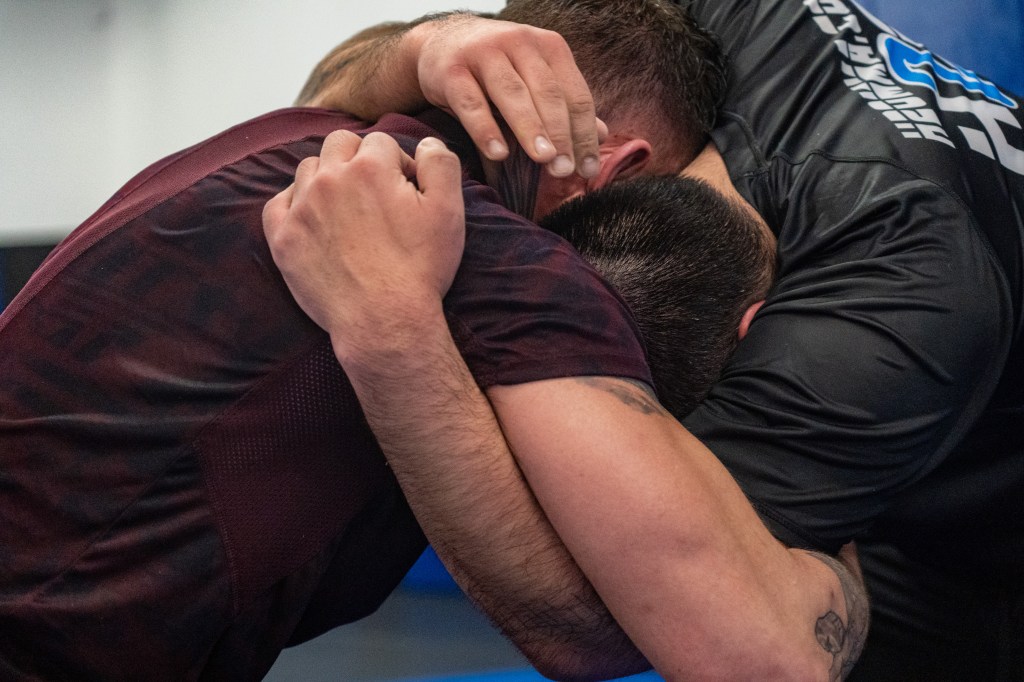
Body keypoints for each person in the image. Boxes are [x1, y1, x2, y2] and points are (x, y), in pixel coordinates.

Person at [0, 3, 767, 679]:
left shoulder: (285, 135)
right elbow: (598, 631)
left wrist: (420, 44)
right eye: (657, 193)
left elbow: (341, 71)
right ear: (618, 166)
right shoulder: (511, 266)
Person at [291, 0, 1024, 679]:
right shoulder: (671, 26)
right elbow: (325, 99)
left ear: (608, 172)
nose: (485, 233)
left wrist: (392, 330)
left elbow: (633, 627)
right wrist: (427, 45)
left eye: (502, 213)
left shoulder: (892, 282)